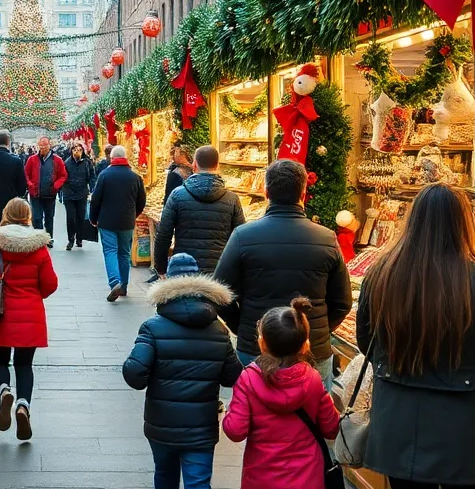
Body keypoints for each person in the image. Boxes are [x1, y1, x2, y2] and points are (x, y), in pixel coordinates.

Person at [357, 184, 475, 489]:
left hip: (398, 429)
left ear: (411, 221)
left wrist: (399, 371)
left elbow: (368, 343)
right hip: (467, 435)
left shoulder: (381, 275)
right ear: (462, 224)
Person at [212, 159, 350, 389]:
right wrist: (314, 330)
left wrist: (245, 327)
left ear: (266, 192)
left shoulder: (243, 236)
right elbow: (342, 302)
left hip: (257, 347)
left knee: (256, 415)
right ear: (303, 193)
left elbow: (219, 294)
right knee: (312, 419)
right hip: (311, 348)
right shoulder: (326, 239)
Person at [123, 253, 240, 489]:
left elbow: (135, 375)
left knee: (165, 476)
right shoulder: (218, 330)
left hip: (161, 425)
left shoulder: (152, 328)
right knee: (198, 484)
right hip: (202, 427)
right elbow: (232, 376)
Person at [222, 298, 341, 489]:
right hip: (307, 479)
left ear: (262, 343)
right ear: (305, 345)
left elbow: (235, 431)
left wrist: (229, 412)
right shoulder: (312, 379)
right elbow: (331, 428)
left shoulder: (248, 379)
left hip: (261, 479)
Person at [0, 199, 58, 441]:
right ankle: (22, 406)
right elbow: (50, 284)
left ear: (5, 215)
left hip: (0, 314)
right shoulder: (39, 246)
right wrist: (32, 294)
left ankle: (4, 390)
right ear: (28, 217)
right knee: (24, 365)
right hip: (30, 313)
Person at [154, 146, 244, 276]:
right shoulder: (232, 199)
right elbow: (240, 237)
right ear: (217, 165)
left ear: (194, 165)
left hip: (184, 270)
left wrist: (161, 268)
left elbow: (163, 234)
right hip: (219, 271)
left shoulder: (177, 195)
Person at [89, 144, 147, 302]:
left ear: (112, 158)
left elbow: (95, 200)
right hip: (127, 221)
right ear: (125, 158)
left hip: (107, 221)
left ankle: (114, 282)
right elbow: (142, 201)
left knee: (110, 251)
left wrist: (93, 219)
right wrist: (134, 214)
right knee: (124, 253)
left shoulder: (104, 175)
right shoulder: (135, 177)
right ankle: (124, 286)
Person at [24, 137, 66, 247]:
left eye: (44, 145)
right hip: (35, 194)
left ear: (49, 145)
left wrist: (56, 186)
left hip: (50, 194)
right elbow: (26, 174)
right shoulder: (32, 159)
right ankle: (39, 238)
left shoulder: (57, 160)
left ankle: (49, 238)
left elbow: (63, 175)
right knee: (36, 218)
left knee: (49, 217)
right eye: (40, 146)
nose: (42, 148)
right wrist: (30, 185)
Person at [61, 143, 95, 250]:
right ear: (71, 151)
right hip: (69, 194)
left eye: (80, 150)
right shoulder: (66, 163)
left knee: (81, 217)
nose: (77, 151)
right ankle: (70, 239)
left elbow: (91, 177)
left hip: (82, 193)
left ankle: (79, 238)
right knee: (71, 217)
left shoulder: (86, 162)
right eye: (75, 149)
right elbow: (62, 177)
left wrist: (92, 190)